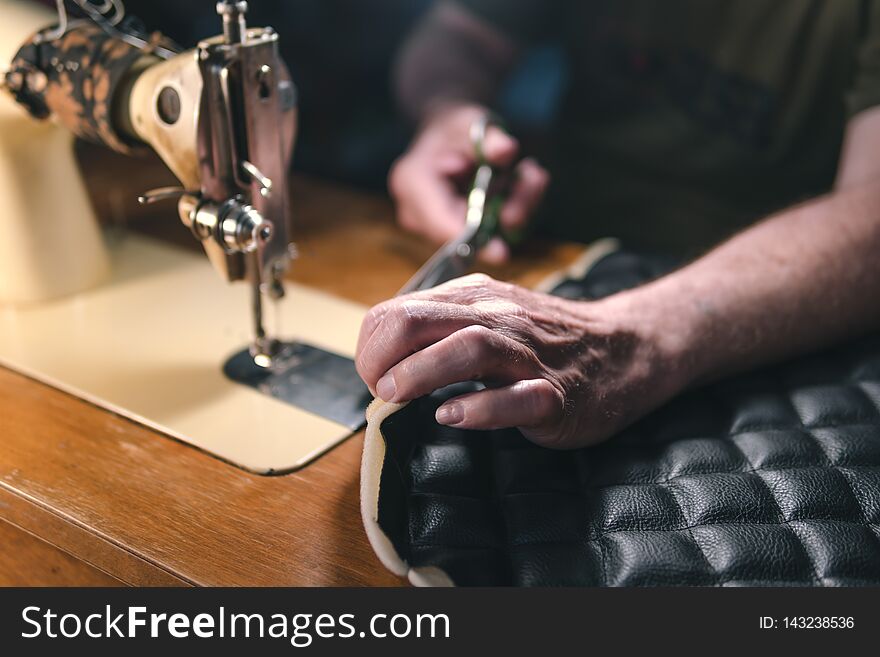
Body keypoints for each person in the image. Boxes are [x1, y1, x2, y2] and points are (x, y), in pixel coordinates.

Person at [355, 0, 880, 449]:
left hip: (766, 302)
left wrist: (631, 338)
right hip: (554, 244)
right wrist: (447, 112)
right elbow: (460, 34)